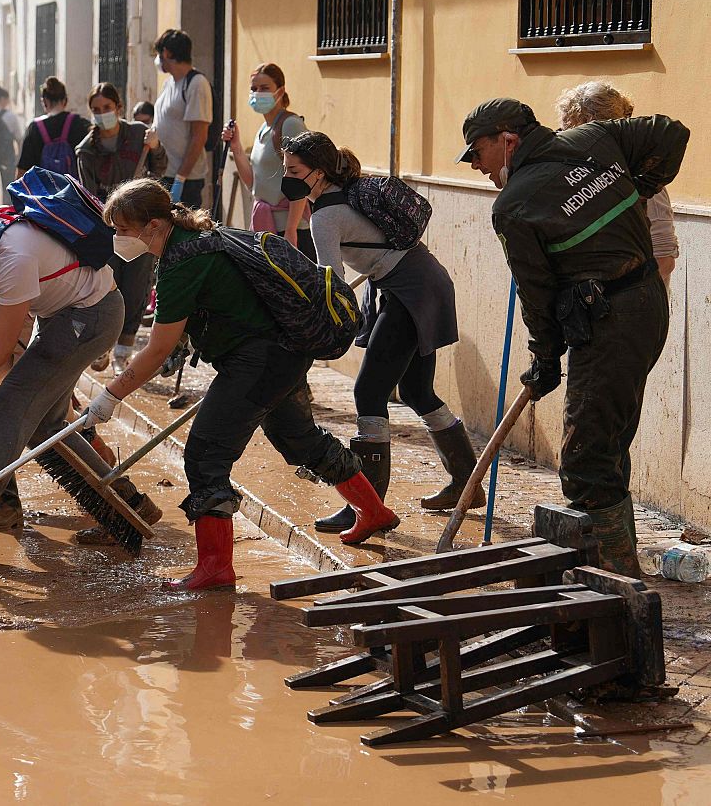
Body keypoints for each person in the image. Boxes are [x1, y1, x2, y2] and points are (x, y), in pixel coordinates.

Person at [89, 179, 398, 589]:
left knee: (205, 455)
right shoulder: (199, 238)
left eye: (123, 229)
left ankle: (215, 567)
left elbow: (158, 348)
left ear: (153, 225)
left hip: (260, 360)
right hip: (281, 353)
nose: (118, 238)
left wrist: (111, 394)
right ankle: (373, 511)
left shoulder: (183, 260)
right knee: (298, 438)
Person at [460, 98, 688, 575]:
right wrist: (633, 190)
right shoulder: (594, 140)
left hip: (612, 319)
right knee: (607, 439)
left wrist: (544, 357)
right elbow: (668, 130)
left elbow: (536, 292)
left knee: (585, 459)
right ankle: (616, 567)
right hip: (646, 303)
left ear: (508, 140)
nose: (476, 165)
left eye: (477, 152)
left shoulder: (514, 205)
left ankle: (619, 585)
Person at [0, 192, 162, 559]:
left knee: (10, 404)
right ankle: (128, 505)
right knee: (45, 425)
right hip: (65, 314)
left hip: (90, 317)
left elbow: (1, 349)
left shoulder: (13, 254)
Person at [282, 132, 478, 533]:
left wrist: (306, 328)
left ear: (317, 174)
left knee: (367, 392)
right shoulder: (342, 195)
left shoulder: (324, 216)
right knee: (417, 392)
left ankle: (367, 508)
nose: (284, 177)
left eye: (293, 171)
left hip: (410, 288)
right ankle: (467, 485)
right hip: (420, 280)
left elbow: (331, 284)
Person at [76, 82, 167, 372]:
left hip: (142, 223)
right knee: (107, 285)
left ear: (119, 108)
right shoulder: (86, 151)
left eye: (107, 108)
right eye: (96, 110)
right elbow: (89, 197)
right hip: (109, 226)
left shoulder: (139, 135)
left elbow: (161, 167)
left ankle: (123, 352)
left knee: (137, 285)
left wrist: (157, 146)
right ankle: (102, 344)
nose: (103, 114)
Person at [555, 81, 681, 284]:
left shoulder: (645, 178)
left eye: (574, 134)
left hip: (634, 308)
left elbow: (664, 261)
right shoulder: (572, 174)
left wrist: (608, 295)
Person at [221, 63, 312, 255]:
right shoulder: (263, 130)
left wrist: (291, 230)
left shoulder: (291, 125)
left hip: (289, 231)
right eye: (254, 89)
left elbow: (301, 179)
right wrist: (236, 147)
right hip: (266, 227)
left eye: (264, 88)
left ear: (280, 91)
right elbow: (253, 183)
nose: (257, 93)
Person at [152, 28, 212, 208]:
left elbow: (199, 135)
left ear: (167, 53)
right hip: (164, 173)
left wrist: (180, 178)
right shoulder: (168, 84)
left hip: (185, 179)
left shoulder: (196, 84)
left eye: (159, 54)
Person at [16, 76, 91, 177]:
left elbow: (22, 169)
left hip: (42, 191)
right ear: (65, 100)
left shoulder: (35, 128)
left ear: (44, 102)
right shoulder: (80, 124)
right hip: (73, 190)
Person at [0, 83, 24, 201]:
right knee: (8, 190)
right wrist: (19, 157)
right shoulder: (10, 116)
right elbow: (18, 138)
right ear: (2, 99)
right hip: (7, 157)